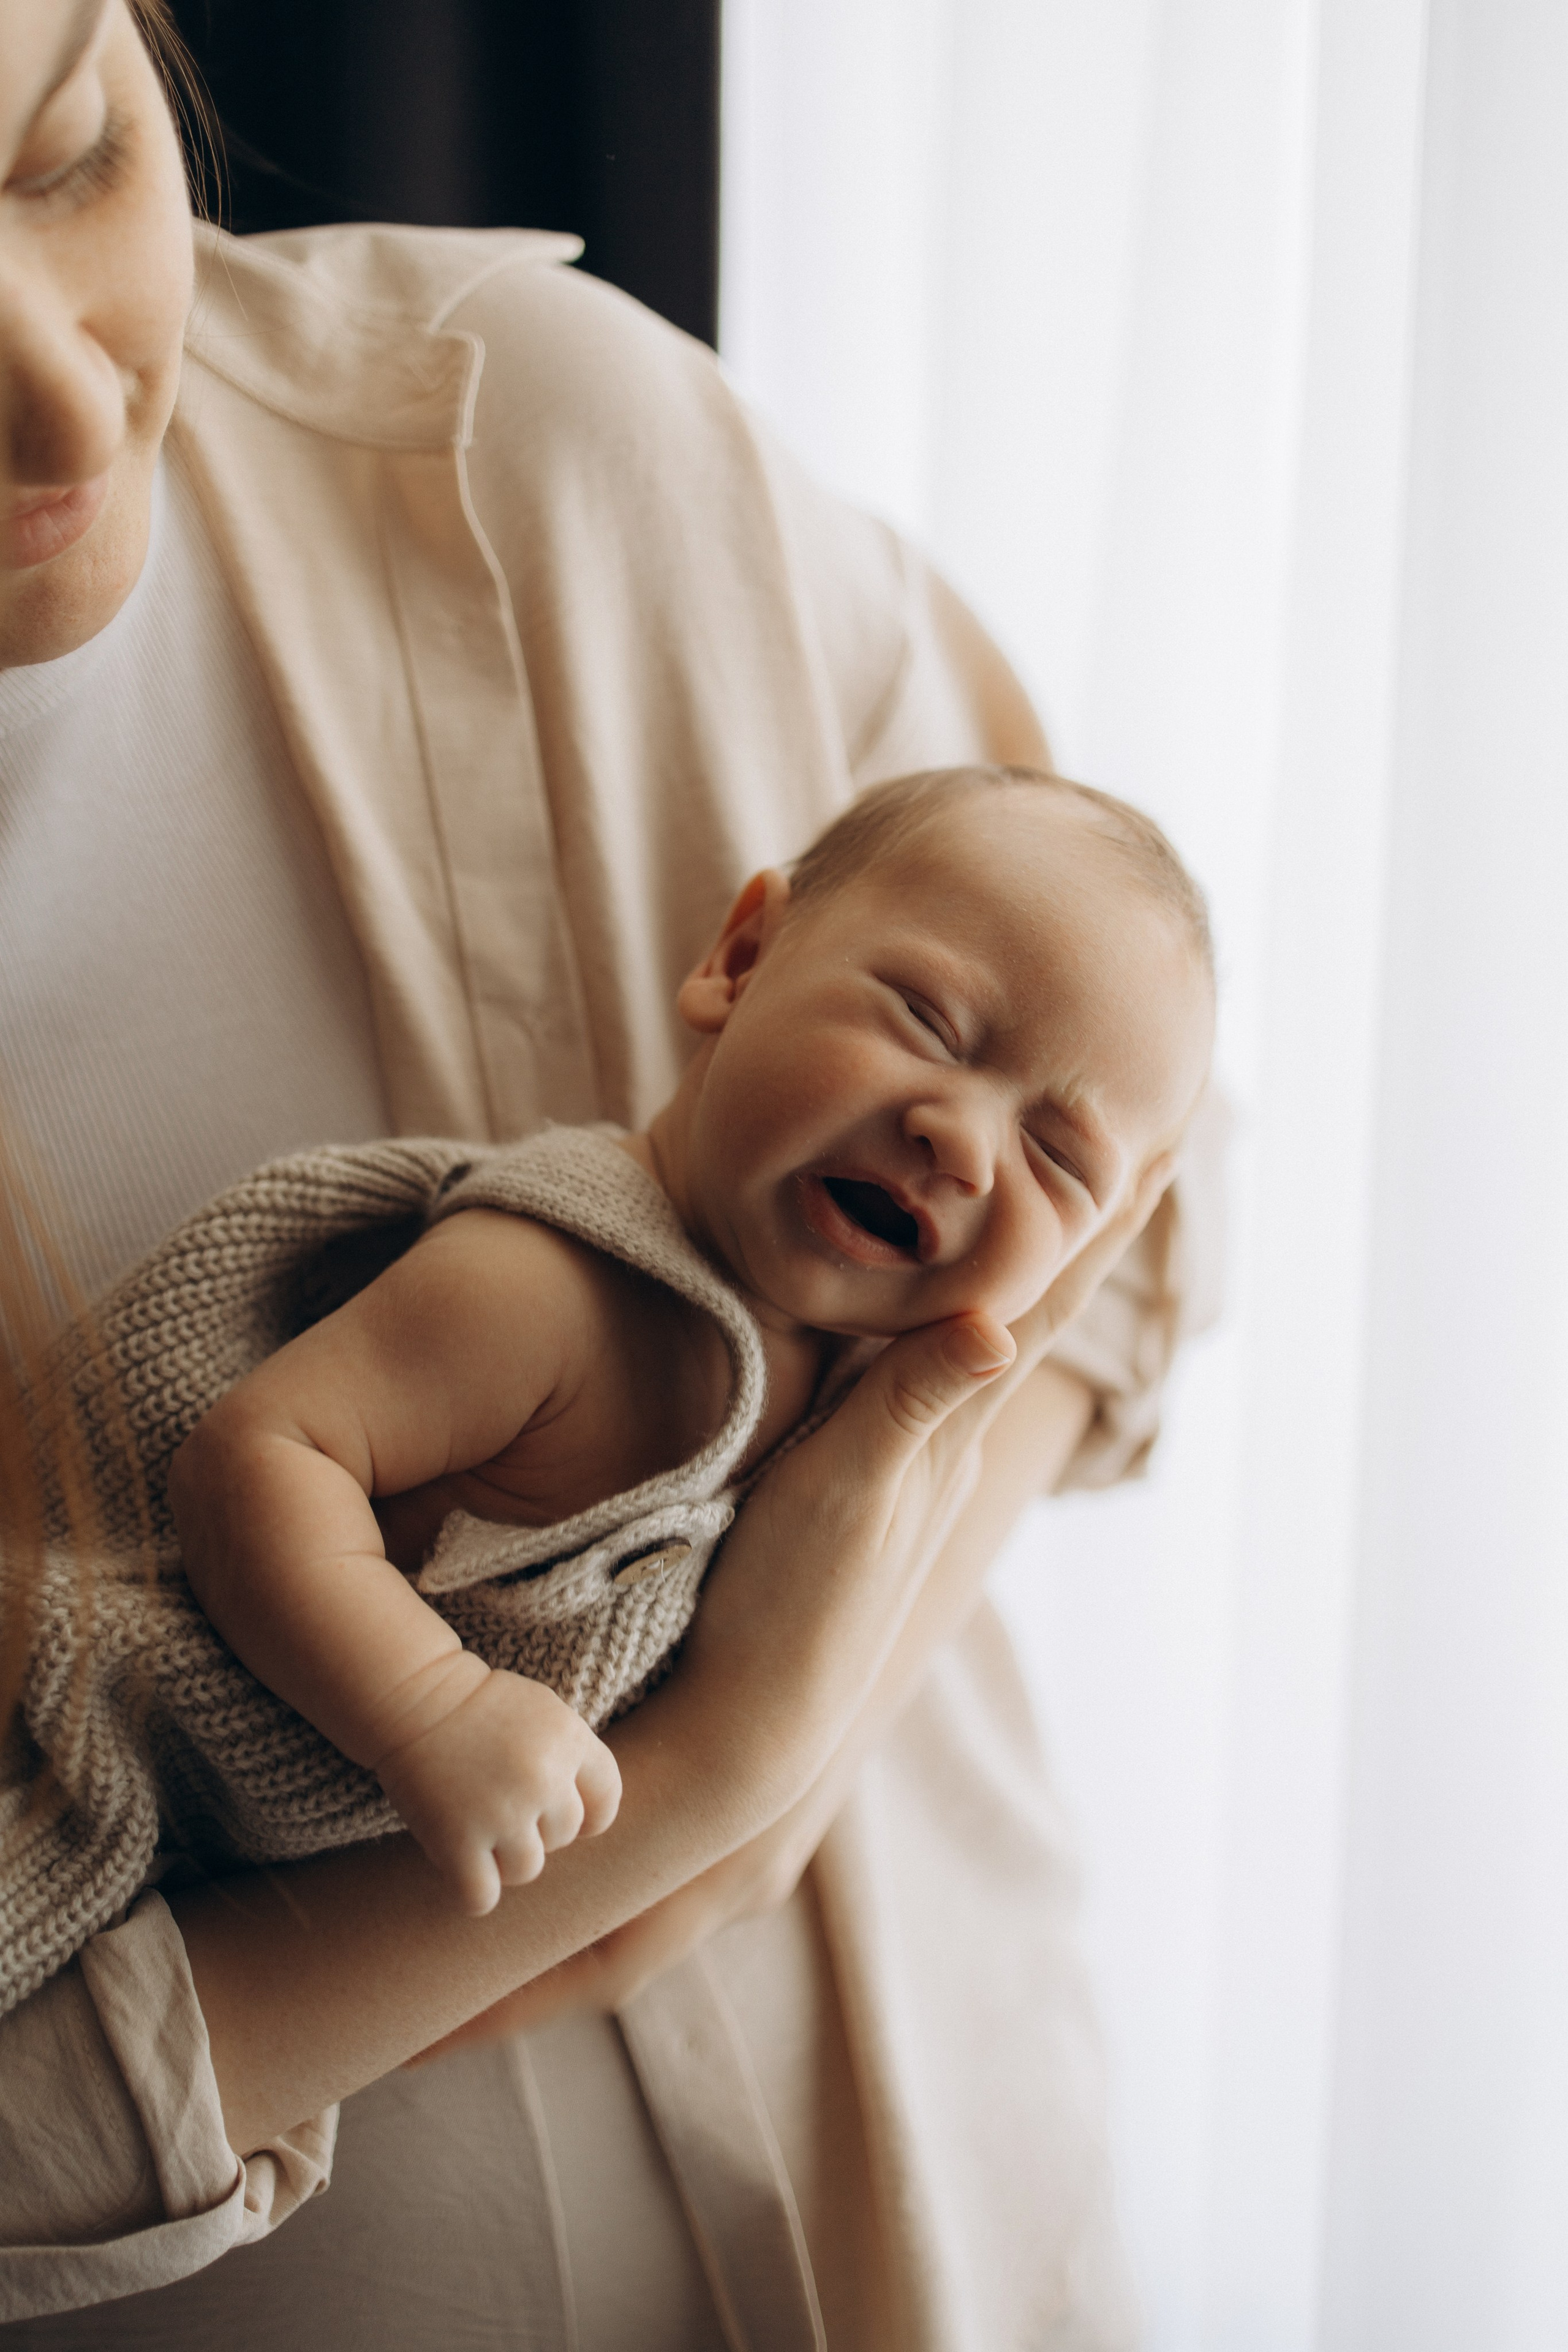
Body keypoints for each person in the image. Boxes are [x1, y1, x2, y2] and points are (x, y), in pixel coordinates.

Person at [0, 2, 1219, 2343]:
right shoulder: (515, 1280)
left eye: (69, 157)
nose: (62, 402)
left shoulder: (539, 435)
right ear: (737, 957)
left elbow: (1170, 1150)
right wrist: (695, 1786)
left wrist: (833, 1652)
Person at [157, 767, 1213, 1920]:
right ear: (744, 958)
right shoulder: (556, 1285)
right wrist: (430, 1706)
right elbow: (257, 1456)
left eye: (1059, 1159)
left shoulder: (851, 1400)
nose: (960, 1144)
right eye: (927, 1021)